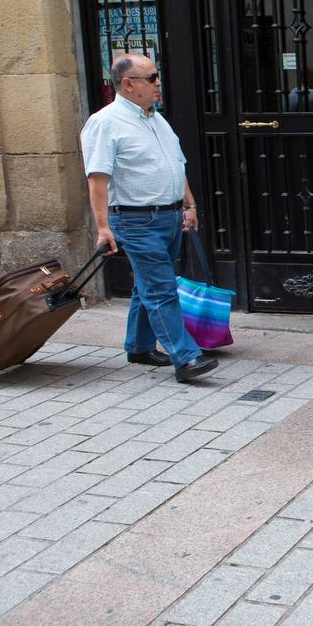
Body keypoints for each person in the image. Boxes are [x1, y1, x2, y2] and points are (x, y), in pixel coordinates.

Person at [80, 54, 218, 383]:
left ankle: (139, 345)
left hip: (169, 216)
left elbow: (176, 163)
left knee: (148, 287)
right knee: (161, 289)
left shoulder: (157, 119)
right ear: (128, 84)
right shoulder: (105, 122)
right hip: (135, 220)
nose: (158, 84)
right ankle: (185, 358)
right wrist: (102, 228)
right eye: (152, 78)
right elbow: (96, 179)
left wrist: (190, 205)